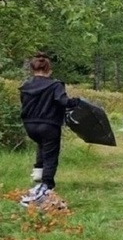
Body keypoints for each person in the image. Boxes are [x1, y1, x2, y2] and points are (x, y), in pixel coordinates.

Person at [19, 52, 80, 206]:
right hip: (49, 124)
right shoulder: (55, 85)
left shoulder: (26, 86)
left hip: (30, 125)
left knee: (41, 145)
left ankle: (38, 173)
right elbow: (62, 101)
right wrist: (76, 102)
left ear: (33, 69)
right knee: (51, 155)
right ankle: (47, 187)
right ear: (49, 70)